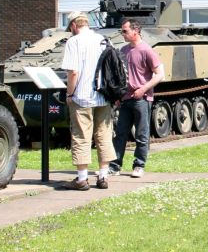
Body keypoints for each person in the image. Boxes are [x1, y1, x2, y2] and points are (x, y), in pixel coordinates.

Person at [60, 11, 114, 190]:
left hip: (82, 97)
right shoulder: (103, 40)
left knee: (81, 136)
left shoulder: (73, 42)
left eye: (70, 28)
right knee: (104, 135)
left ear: (74, 25)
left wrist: (69, 94)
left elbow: (73, 72)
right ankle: (103, 177)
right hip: (103, 97)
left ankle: (82, 179)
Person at [110, 19, 165, 178]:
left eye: (125, 31)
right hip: (125, 99)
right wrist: (118, 95)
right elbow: (120, 76)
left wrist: (143, 89)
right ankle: (115, 166)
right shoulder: (123, 50)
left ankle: (139, 165)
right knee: (120, 134)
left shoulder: (147, 50)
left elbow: (160, 74)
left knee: (141, 134)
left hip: (141, 99)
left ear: (135, 31)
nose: (123, 34)